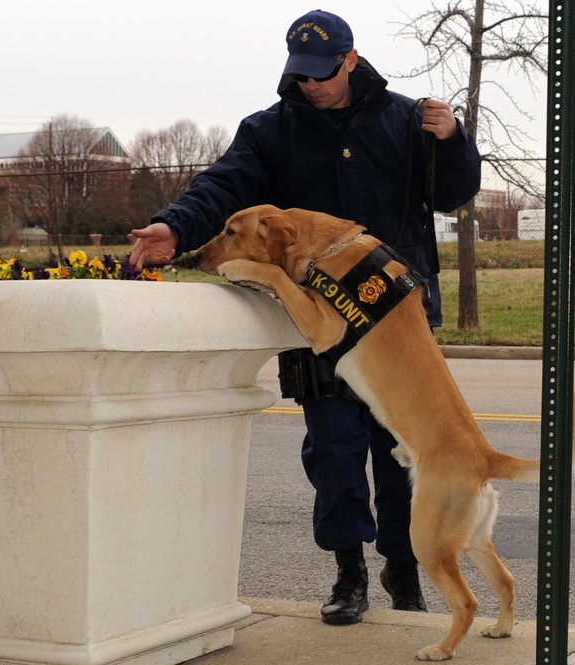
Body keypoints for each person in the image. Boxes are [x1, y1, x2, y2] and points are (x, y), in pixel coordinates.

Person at [129, 9, 481, 626]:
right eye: (301, 75)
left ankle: (403, 570)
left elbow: (451, 194)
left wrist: (451, 139)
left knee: (401, 452)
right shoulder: (270, 130)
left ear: (349, 60)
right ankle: (349, 573)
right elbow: (223, 186)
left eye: (322, 73)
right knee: (333, 451)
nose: (311, 85)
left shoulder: (405, 119)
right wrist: (174, 225)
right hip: (314, 319)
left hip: (393, 316)